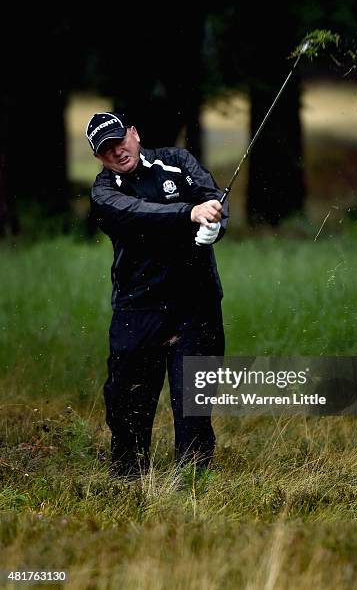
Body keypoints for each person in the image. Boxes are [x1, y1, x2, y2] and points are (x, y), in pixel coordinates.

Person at [86, 112, 228, 478]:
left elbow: (211, 198)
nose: (117, 152)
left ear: (134, 133)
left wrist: (215, 222)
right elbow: (139, 214)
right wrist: (189, 214)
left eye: (120, 141)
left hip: (196, 302)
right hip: (139, 305)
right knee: (127, 399)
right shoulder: (104, 194)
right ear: (99, 158)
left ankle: (195, 480)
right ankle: (129, 480)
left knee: (194, 399)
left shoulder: (177, 161)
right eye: (106, 150)